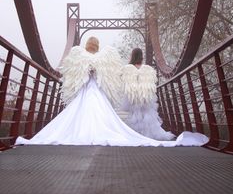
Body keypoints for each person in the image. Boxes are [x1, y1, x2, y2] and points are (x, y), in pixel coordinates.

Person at [15, 37, 208, 147]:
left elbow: (78, 73)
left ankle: (78, 132)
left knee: (79, 112)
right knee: (101, 112)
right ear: (97, 48)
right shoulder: (102, 58)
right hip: (96, 90)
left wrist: (87, 71)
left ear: (86, 48)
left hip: (85, 89)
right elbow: (106, 75)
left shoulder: (79, 56)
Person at [121, 48, 174, 140]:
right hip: (145, 96)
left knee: (135, 115)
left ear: (132, 56)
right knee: (148, 114)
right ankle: (149, 134)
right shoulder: (148, 69)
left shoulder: (127, 68)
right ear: (141, 56)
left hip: (134, 96)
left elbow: (123, 80)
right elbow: (152, 82)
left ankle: (136, 134)